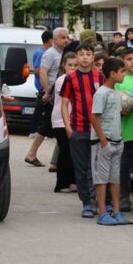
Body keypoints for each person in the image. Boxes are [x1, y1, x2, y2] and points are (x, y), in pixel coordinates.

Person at [61, 44, 106, 219]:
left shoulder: (100, 77)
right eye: (81, 54)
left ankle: (95, 200)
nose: (85, 57)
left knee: (94, 167)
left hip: (97, 129)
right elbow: (64, 103)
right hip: (78, 128)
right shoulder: (70, 78)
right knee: (80, 168)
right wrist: (67, 127)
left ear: (93, 57)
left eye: (88, 54)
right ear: (76, 57)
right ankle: (86, 202)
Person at [90, 57, 128, 226]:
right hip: (103, 144)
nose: (124, 74)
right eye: (122, 71)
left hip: (117, 142)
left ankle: (116, 211)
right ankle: (103, 213)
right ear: (112, 74)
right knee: (101, 179)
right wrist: (103, 139)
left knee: (115, 179)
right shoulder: (101, 93)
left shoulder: (116, 92)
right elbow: (94, 117)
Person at [25, 28, 70, 167]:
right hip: (52, 95)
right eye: (63, 37)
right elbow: (43, 73)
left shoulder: (63, 53)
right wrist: (47, 92)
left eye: (67, 37)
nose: (66, 40)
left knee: (51, 125)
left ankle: (51, 160)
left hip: (61, 94)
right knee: (49, 125)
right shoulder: (50, 54)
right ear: (54, 40)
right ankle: (32, 154)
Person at [116, 48, 133, 212]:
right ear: (123, 61)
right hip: (124, 131)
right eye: (129, 59)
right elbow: (113, 100)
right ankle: (124, 197)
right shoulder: (120, 80)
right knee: (124, 166)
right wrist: (121, 106)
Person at [51, 52, 79, 193]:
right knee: (65, 151)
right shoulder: (62, 80)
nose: (72, 68)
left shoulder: (77, 78)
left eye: (75, 65)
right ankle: (61, 184)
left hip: (74, 120)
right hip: (60, 121)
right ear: (64, 65)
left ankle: (72, 181)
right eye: (70, 65)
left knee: (73, 152)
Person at [29, 30, 53, 140]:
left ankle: (40, 131)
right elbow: (37, 70)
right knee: (41, 110)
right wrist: (48, 71)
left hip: (45, 86)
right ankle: (34, 131)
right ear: (50, 40)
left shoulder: (46, 52)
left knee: (44, 110)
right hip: (42, 86)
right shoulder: (41, 52)